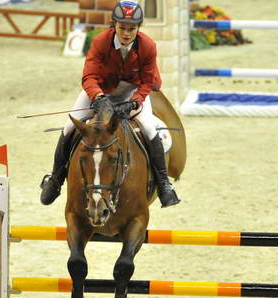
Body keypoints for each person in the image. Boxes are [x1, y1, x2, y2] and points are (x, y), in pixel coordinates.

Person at [40, 0, 180, 208]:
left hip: (132, 91)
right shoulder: (100, 42)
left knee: (150, 129)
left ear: (138, 28)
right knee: (70, 126)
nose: (126, 33)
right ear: (114, 24)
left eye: (132, 29)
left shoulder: (148, 45)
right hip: (101, 90)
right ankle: (56, 179)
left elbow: (148, 81)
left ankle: (164, 184)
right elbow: (89, 76)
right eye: (122, 28)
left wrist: (133, 103)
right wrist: (97, 97)